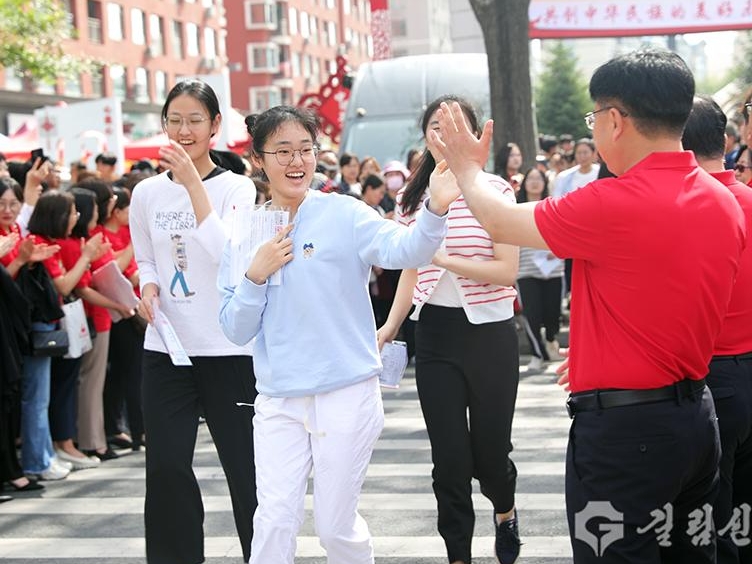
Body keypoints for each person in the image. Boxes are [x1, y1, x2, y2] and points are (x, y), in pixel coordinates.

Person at [431, 49, 745, 563]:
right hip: (695, 420)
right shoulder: (722, 201)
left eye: (594, 118)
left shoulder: (615, 203)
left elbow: (500, 222)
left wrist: (467, 170)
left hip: (626, 437)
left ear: (616, 120)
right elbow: (666, 297)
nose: (594, 131)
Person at [218, 105, 458, 564]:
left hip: (345, 391)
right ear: (258, 159)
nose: (297, 161)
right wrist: (254, 276)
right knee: (272, 521)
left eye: (305, 150)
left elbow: (407, 249)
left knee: (335, 526)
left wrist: (436, 209)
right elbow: (235, 329)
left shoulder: (344, 214)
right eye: (283, 151)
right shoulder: (244, 232)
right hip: (279, 398)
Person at [377, 94, 521, 564]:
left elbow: (506, 271)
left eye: (455, 126)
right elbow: (409, 271)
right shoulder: (410, 199)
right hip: (436, 336)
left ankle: (505, 508)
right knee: (450, 460)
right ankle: (458, 554)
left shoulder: (497, 192)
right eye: (435, 127)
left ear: (476, 135)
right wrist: (391, 326)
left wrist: (441, 257)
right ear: (425, 137)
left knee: (491, 456)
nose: (444, 136)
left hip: (491, 336)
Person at [129, 79, 258, 564]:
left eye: (195, 120)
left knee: (246, 474)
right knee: (165, 468)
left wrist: (192, 187)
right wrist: (147, 287)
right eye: (175, 120)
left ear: (215, 128)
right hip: (166, 349)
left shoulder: (237, 188)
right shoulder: (144, 194)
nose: (184, 131)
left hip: (229, 351)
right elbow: (145, 259)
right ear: (164, 124)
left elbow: (230, 255)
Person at [681, 95, 752, 564]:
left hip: (710, 380)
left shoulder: (681, 206)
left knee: (713, 520)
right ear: (724, 142)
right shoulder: (746, 198)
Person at [515, 167, 564, 372]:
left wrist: (559, 247)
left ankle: (551, 338)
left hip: (553, 269)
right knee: (532, 314)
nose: (535, 182)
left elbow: (565, 232)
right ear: (524, 183)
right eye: (530, 178)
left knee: (553, 314)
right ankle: (537, 355)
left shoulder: (555, 206)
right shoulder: (514, 208)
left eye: (539, 178)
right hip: (525, 270)